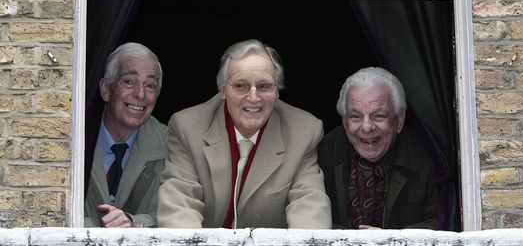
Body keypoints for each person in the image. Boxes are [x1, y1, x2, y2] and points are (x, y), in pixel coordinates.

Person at [157, 39, 330, 228]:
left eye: (264, 86)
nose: (254, 97)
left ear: (277, 92)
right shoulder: (188, 128)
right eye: (241, 86)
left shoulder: (303, 131)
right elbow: (179, 208)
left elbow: (310, 207)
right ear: (223, 91)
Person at [318, 67, 439, 229]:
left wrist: (390, 239)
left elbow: (440, 222)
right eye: (355, 116)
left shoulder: (427, 156)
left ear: (399, 120)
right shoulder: (324, 153)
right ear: (345, 121)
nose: (367, 127)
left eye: (379, 116)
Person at [84, 42, 168, 228]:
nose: (140, 94)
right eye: (129, 82)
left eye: (150, 85)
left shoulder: (170, 144)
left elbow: (172, 216)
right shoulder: (74, 136)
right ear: (106, 89)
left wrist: (134, 223)